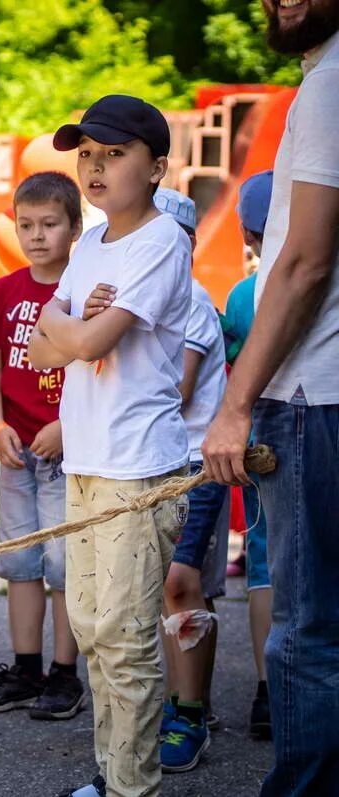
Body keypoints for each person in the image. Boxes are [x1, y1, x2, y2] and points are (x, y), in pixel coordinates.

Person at [31, 95, 192, 797]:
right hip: (87, 463)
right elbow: (40, 347)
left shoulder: (163, 242)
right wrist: (73, 328)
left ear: (156, 166)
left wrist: (77, 328)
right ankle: (110, 774)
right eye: (86, 154)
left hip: (138, 467)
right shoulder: (91, 244)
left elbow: (84, 340)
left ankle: (134, 786)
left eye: (114, 153)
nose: (95, 166)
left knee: (126, 642)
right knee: (92, 630)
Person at [201, 4, 339, 793]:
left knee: (308, 631)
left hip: (315, 395)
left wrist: (235, 402)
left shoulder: (328, 88)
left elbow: (301, 264)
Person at [88, 188, 227, 772]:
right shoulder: (122, 293)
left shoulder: (190, 299)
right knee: (142, 588)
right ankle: (169, 703)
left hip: (188, 460)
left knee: (178, 581)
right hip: (137, 458)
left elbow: (181, 388)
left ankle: (190, 712)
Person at [0, 171, 86, 721]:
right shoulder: (5, 291)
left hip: (68, 451)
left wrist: (67, 427)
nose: (37, 235)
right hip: (16, 452)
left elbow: (97, 366)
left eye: (50, 224)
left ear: (74, 227)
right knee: (19, 564)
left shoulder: (84, 290)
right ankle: (26, 667)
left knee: (64, 566)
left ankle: (65, 675)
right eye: (26, 224)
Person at [223, 169, 274, 742]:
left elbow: (229, 350)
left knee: (264, 567)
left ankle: (268, 691)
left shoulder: (245, 295)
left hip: (262, 441)